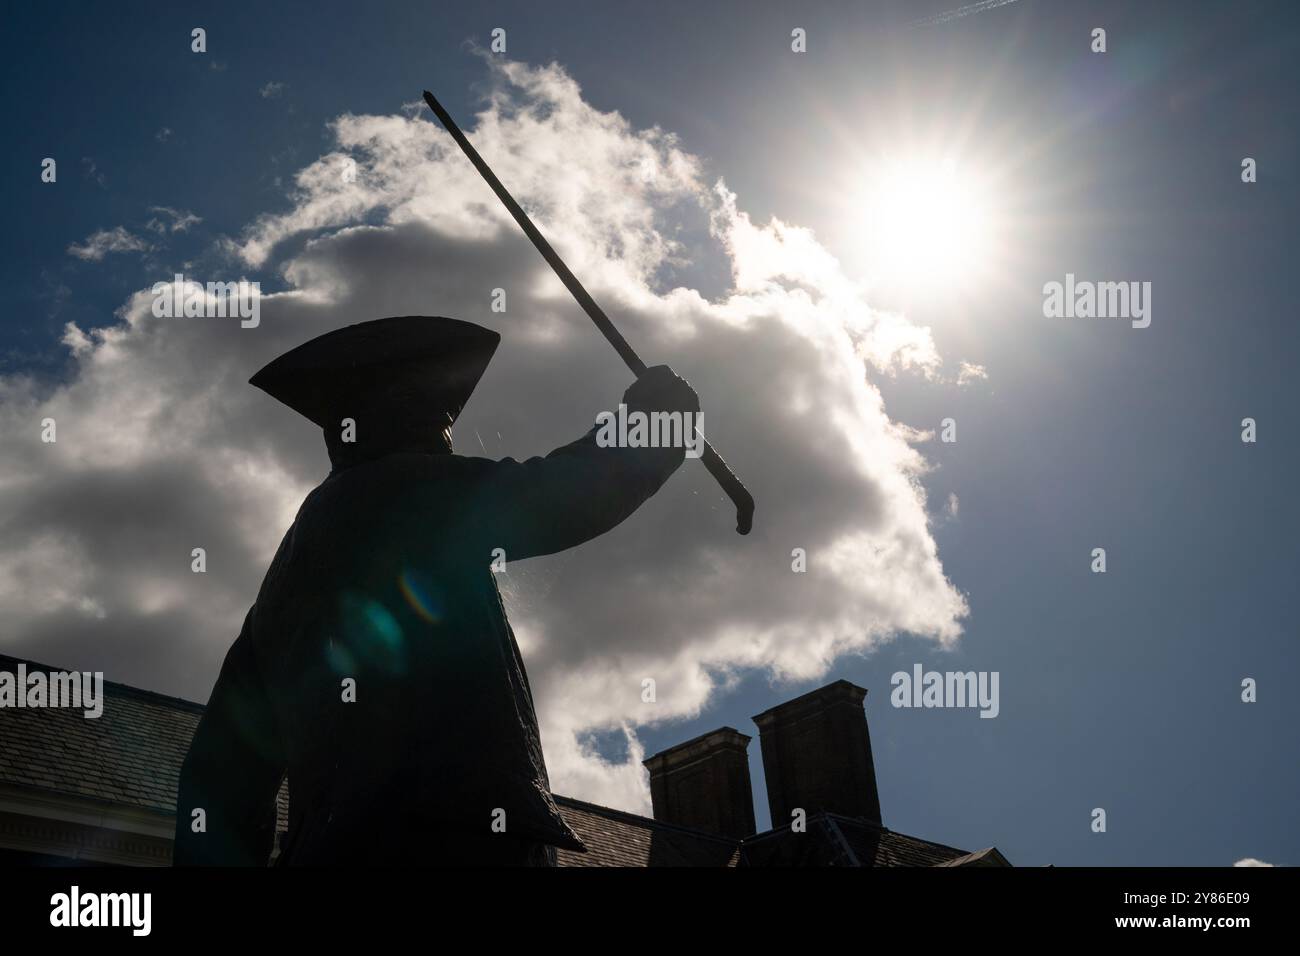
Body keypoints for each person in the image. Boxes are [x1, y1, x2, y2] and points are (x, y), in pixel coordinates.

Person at [173, 315, 700, 866]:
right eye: (438, 420)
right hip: (450, 843)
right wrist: (654, 423)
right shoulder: (392, 491)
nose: (447, 442)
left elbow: (221, 771)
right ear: (397, 416)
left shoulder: (288, 574)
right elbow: (552, 496)